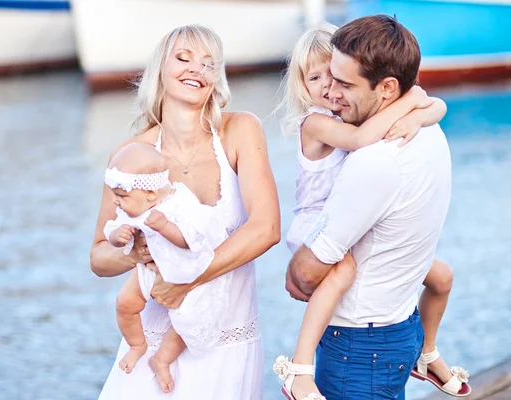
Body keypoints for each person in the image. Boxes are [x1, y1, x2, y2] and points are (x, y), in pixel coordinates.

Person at [284, 16, 471, 399]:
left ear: (386, 88)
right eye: (321, 78)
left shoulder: (380, 157)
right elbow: (362, 137)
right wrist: (417, 105)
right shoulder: (421, 135)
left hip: (360, 347)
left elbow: (303, 277)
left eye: (343, 82)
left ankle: (299, 370)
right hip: (393, 324)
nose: (332, 91)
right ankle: (424, 352)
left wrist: (420, 106)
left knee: (435, 276)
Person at [92, 24, 280, 400]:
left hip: (225, 341)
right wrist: (133, 252)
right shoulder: (130, 155)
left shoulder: (240, 131)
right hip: (151, 345)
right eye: (184, 58)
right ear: (160, 68)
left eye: (209, 64)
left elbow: (267, 227)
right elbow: (98, 256)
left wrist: (187, 280)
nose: (198, 69)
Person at [103, 142, 229, 393]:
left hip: (183, 273)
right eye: (115, 195)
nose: (116, 202)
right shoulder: (133, 207)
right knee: (124, 302)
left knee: (186, 321)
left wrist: (165, 228)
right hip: (149, 269)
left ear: (150, 193)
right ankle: (137, 344)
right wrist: (118, 235)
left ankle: (162, 359)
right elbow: (110, 229)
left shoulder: (180, 203)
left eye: (121, 196)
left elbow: (192, 240)